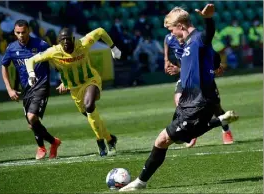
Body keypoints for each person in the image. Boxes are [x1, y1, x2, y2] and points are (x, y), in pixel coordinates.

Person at [119, 4, 239, 192]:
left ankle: (139, 182)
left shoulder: (198, 38)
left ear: (181, 26)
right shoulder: (189, 44)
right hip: (190, 101)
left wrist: (208, 19)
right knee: (183, 137)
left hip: (197, 103)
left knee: (162, 140)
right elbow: (213, 56)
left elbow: (209, 35)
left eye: (171, 29)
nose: (171, 34)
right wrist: (214, 66)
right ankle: (221, 120)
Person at [25, 27, 121, 157]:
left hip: (90, 80)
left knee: (89, 105)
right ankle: (110, 139)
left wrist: (113, 48)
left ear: (73, 39)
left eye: (68, 40)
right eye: (62, 41)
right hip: (74, 89)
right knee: (92, 117)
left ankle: (100, 141)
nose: (65, 43)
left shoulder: (82, 44)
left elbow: (100, 31)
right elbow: (31, 60)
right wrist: (31, 74)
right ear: (59, 42)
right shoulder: (53, 51)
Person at [1, 19, 61, 160]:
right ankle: (53, 142)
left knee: (31, 117)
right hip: (26, 89)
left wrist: (63, 79)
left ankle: (41, 147)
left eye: (23, 32)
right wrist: (9, 89)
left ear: (28, 31)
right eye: (18, 33)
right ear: (14, 33)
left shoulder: (40, 44)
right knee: (32, 123)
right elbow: (4, 66)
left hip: (41, 85)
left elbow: (55, 59)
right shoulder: (12, 48)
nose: (21, 35)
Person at [164, 33, 234, 148]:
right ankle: (191, 131)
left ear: (181, 27)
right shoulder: (170, 38)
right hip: (185, 79)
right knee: (180, 103)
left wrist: (180, 69)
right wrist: (166, 59)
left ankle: (226, 130)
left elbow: (201, 66)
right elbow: (166, 41)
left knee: (217, 109)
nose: (171, 32)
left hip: (202, 79)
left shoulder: (195, 42)